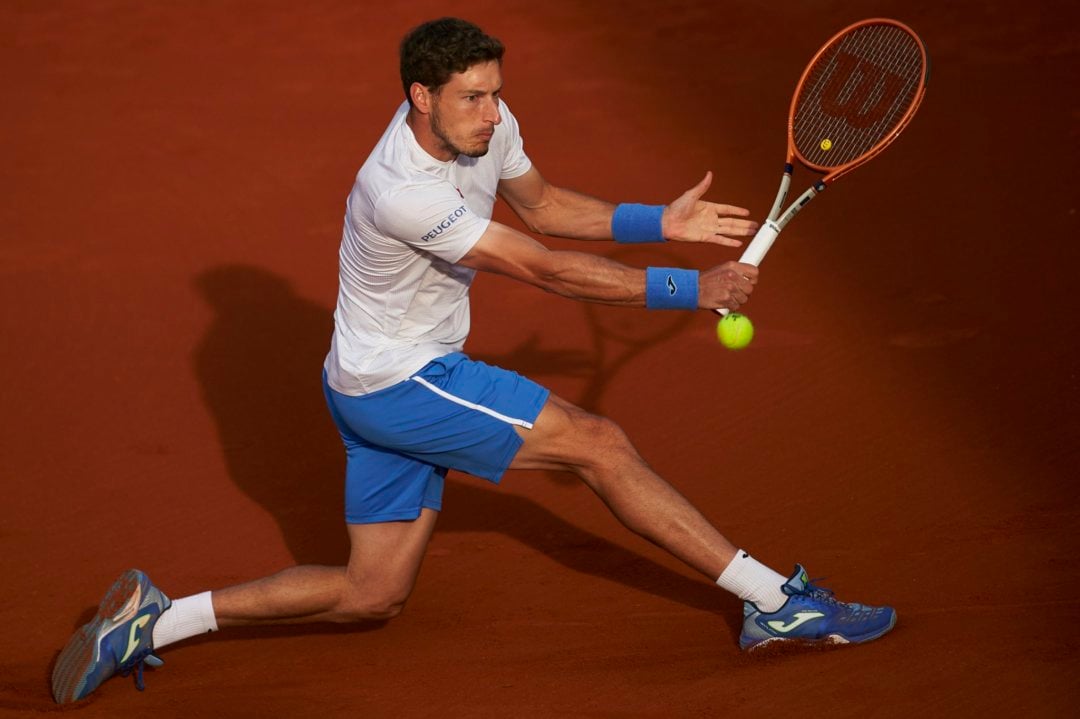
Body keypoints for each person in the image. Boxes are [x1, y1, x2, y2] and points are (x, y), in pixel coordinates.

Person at [51, 17, 896, 705]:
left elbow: (547, 208)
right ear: (421, 96)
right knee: (597, 443)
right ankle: (773, 602)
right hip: (402, 383)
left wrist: (657, 224)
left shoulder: (486, 126)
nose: (492, 112)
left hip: (362, 381)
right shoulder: (401, 188)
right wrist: (690, 288)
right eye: (472, 98)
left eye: (496, 92)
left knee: (371, 593)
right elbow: (542, 266)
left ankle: (155, 622)